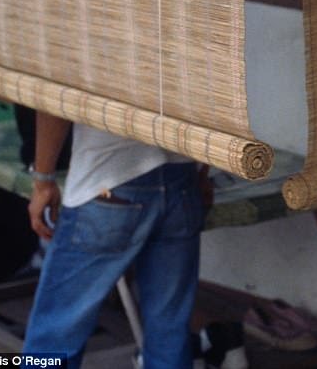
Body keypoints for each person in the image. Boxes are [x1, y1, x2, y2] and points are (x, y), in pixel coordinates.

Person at [23, 112, 204, 368]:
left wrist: (43, 180)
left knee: (55, 336)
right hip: (181, 177)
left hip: (108, 178)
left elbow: (52, 104)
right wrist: (203, 171)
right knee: (169, 331)